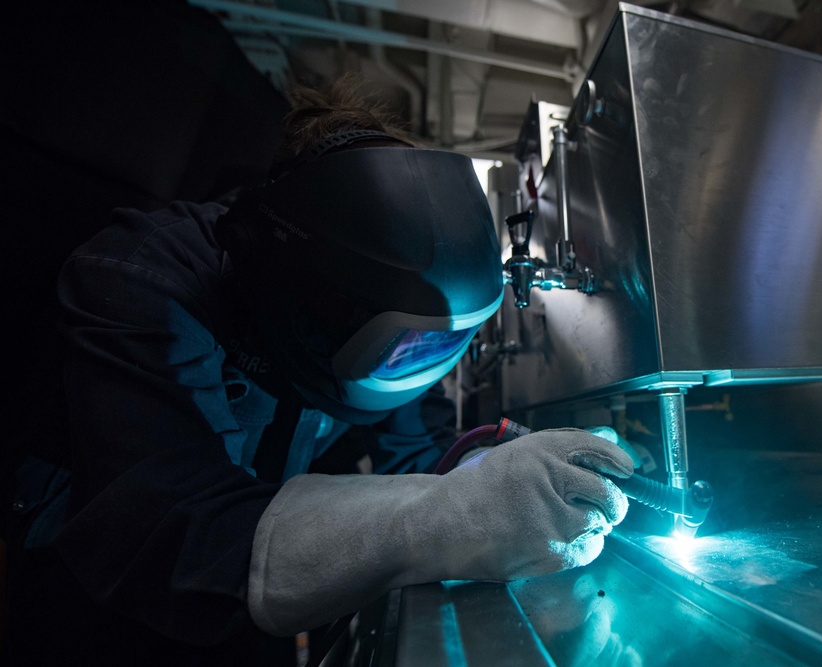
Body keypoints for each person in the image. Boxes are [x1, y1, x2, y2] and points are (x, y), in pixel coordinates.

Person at [4, 80, 633, 665]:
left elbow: (415, 453)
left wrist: (501, 474)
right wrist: (447, 512)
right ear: (313, 293)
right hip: (98, 605)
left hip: (263, 613)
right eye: (410, 344)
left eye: (449, 343)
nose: (423, 363)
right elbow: (173, 532)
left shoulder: (395, 315)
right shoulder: (140, 279)